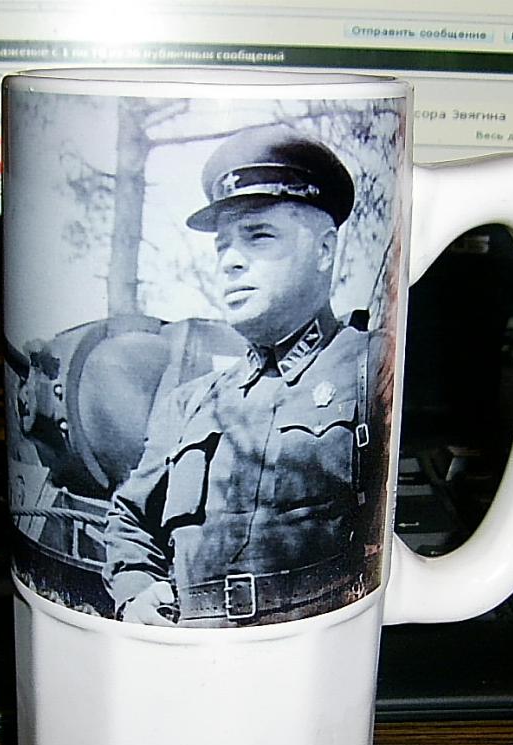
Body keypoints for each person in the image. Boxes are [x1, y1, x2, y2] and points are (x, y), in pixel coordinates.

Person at [101, 125, 393, 626]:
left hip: (315, 649)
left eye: (258, 236)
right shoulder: (191, 402)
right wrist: (137, 590)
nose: (231, 261)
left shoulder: (372, 368)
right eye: (223, 245)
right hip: (191, 647)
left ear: (324, 251)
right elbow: (130, 517)